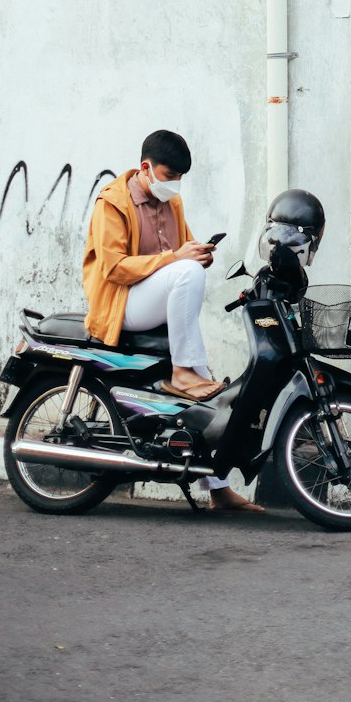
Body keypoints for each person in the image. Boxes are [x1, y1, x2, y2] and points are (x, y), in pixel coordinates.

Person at [82, 128, 262, 514]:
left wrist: (199, 254)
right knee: (185, 275)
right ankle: (182, 372)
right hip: (120, 302)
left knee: (207, 387)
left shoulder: (172, 203)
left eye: (180, 178)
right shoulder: (112, 203)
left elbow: (183, 252)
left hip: (153, 298)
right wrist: (179, 260)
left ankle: (217, 488)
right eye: (168, 176)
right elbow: (114, 268)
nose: (174, 185)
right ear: (145, 168)